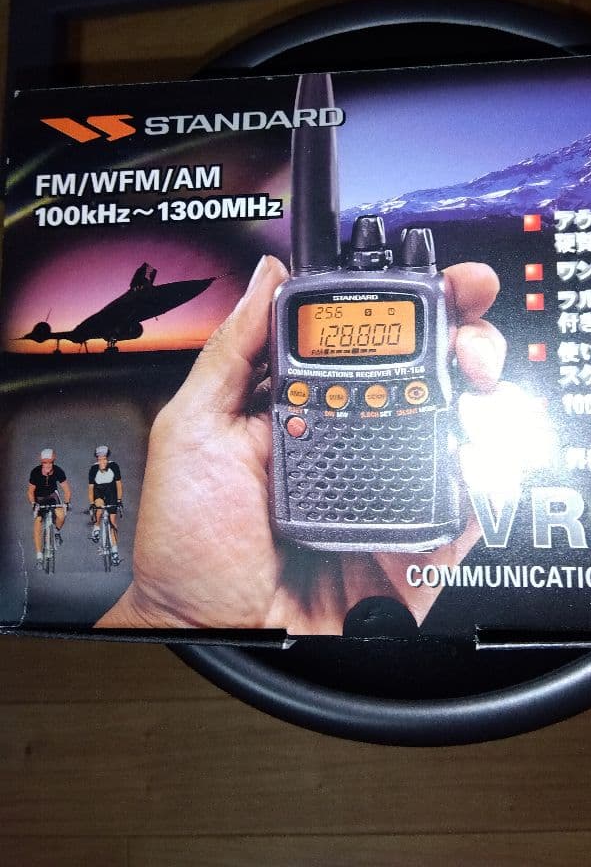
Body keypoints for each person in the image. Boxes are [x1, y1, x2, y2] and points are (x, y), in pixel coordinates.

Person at [98, 254, 505, 631]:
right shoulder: (292, 296)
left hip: (395, 520)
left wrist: (165, 617)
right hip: (276, 566)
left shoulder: (429, 296)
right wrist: (169, 614)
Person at [28, 448, 71, 569]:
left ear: (53, 462)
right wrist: (33, 503)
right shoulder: (35, 472)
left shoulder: (58, 471)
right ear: (41, 462)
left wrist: (66, 503)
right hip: (39, 498)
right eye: (44, 462)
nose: (47, 465)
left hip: (52, 496)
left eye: (50, 462)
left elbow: (66, 490)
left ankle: (56, 531)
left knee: (61, 514)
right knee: (37, 523)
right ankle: (39, 555)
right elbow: (30, 491)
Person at [88, 446, 123, 566]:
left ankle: (115, 550)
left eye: (104, 459)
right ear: (97, 459)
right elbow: (91, 488)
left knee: (112, 521)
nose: (102, 462)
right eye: (100, 459)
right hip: (98, 491)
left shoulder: (114, 466)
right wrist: (91, 503)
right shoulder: (93, 469)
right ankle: (97, 527)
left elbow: (118, 484)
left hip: (111, 491)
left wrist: (119, 500)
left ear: (107, 459)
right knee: (99, 508)